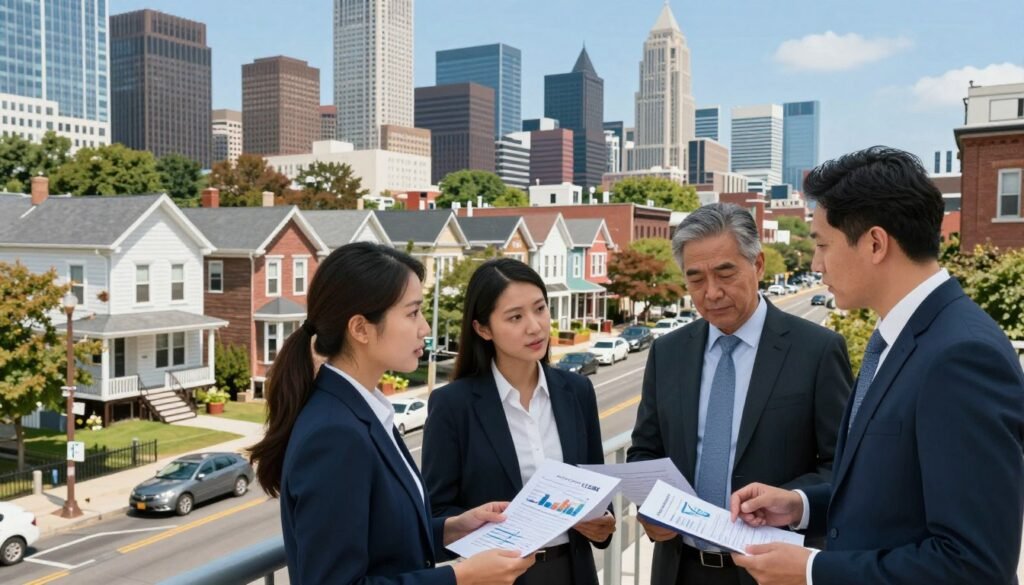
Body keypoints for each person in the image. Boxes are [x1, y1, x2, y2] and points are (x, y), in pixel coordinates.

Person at [730, 146, 1024, 585]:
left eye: (823, 245)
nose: (815, 264)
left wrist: (812, 570)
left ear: (874, 243)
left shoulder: (960, 357)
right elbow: (896, 492)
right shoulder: (902, 336)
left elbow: (974, 564)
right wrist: (801, 505)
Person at [249, 242, 535, 585]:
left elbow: (382, 538)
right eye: (412, 313)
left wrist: (452, 529)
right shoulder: (335, 435)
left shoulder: (363, 411)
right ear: (360, 329)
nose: (425, 328)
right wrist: (460, 577)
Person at [628, 202, 853, 585]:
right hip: (679, 568)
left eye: (725, 273)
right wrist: (651, 509)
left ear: (759, 265)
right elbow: (644, 452)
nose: (711, 292)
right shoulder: (668, 352)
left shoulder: (816, 350)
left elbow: (845, 468)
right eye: (695, 278)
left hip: (771, 570)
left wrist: (789, 501)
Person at [422, 258, 614, 585]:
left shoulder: (577, 391)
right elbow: (434, 518)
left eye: (540, 309)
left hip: (574, 572)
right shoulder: (452, 406)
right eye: (515, 317)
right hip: (497, 577)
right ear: (483, 329)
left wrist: (602, 525)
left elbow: (596, 491)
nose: (535, 326)